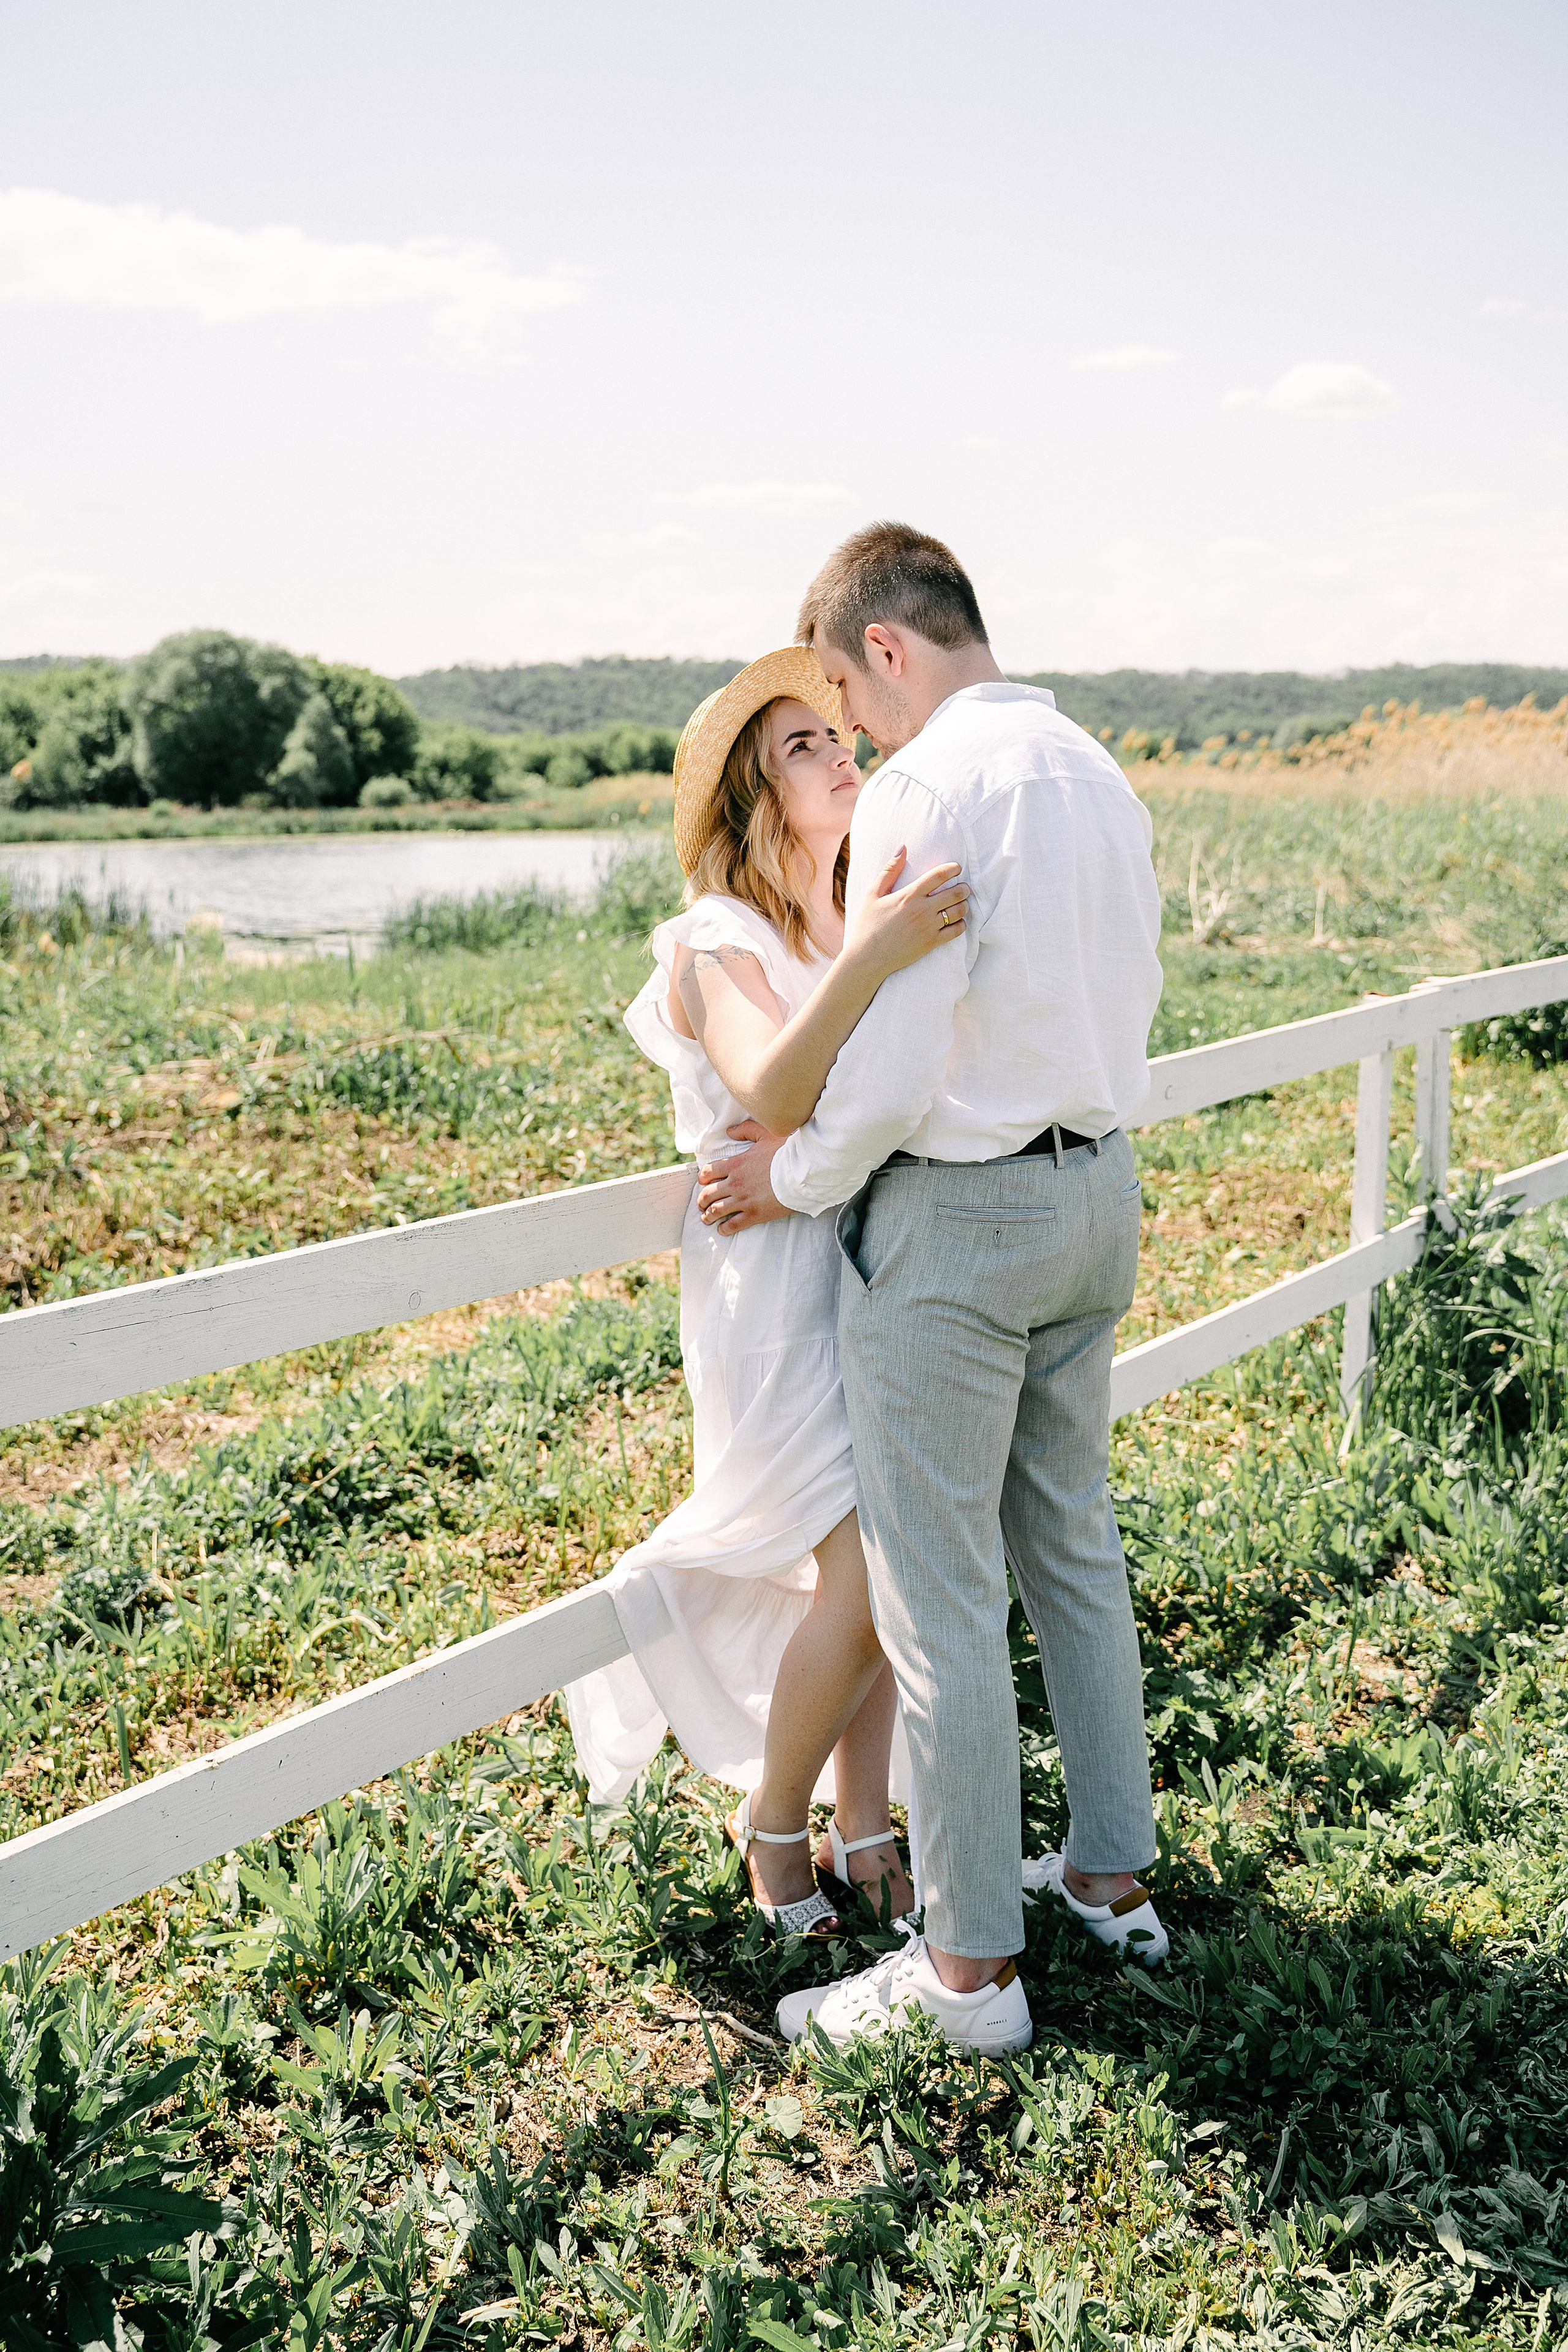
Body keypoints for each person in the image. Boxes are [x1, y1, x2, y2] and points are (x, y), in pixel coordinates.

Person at [698, 524, 1169, 2056]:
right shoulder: (1094, 770)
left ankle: (965, 1971)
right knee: (1073, 1549)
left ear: (882, 650)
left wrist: (791, 1178)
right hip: (1096, 1187)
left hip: (963, 1221)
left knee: (939, 1592)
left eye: (848, 693)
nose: (855, 730)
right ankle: (1108, 1876)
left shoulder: (928, 785)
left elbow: (892, 1071)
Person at [564, 644, 970, 1937]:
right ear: (748, 796)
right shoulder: (711, 939)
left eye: (836, 735)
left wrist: (874, 940)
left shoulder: (835, 922)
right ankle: (772, 1825)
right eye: (801, 746)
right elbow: (771, 1089)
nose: (839, 752)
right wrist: (882, 952)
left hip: (865, 1257)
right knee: (858, 1572)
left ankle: (864, 1830)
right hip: (768, 1284)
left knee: (878, 1565)